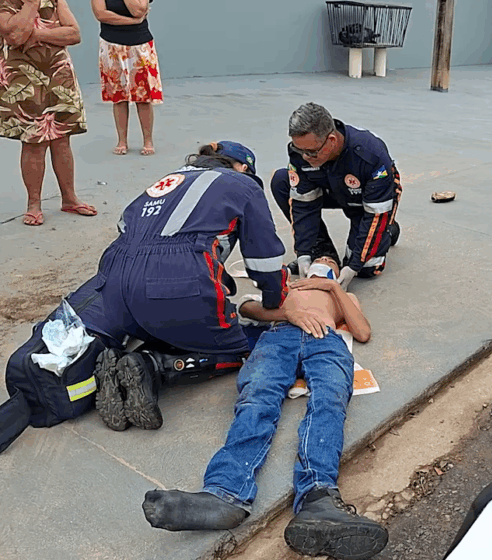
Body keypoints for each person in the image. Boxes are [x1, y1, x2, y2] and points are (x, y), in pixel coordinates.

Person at [142, 255, 388, 560]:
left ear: (337, 272)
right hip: (279, 336)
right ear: (305, 266)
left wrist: (333, 288)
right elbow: (245, 307)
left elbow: (361, 332)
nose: (324, 261)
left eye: (330, 261)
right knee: (256, 398)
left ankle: (319, 497)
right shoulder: (288, 286)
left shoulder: (342, 294)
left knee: (330, 400)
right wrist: (288, 312)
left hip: (326, 338)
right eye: (320, 258)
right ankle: (225, 493)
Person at [90, 141, 289, 432]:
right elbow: (265, 260)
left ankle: (121, 362)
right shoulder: (243, 185)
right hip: (174, 279)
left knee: (170, 319)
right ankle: (153, 367)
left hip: (114, 287)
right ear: (243, 167)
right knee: (250, 342)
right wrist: (275, 300)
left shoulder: (168, 181)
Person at [271, 102, 402, 290]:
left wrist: (353, 266)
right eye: (299, 150)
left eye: (311, 152)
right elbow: (303, 204)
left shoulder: (370, 155)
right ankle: (322, 250)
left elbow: (374, 214)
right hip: (328, 188)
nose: (304, 157)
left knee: (366, 268)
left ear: (331, 140)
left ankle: (388, 230)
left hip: (366, 199)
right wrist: (304, 253)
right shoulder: (301, 151)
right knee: (282, 181)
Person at [0, 0, 96, 226]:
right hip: (22, 78)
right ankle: (34, 204)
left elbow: (74, 34)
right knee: (34, 141)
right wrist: (33, 5)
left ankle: (69, 198)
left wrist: (37, 35)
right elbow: (14, 37)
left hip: (58, 74)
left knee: (62, 138)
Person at [91, 0, 162, 156]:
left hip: (140, 44)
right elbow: (101, 14)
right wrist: (133, 21)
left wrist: (134, 18)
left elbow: (139, 9)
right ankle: (122, 140)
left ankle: (148, 140)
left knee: (143, 96)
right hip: (111, 45)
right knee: (118, 96)